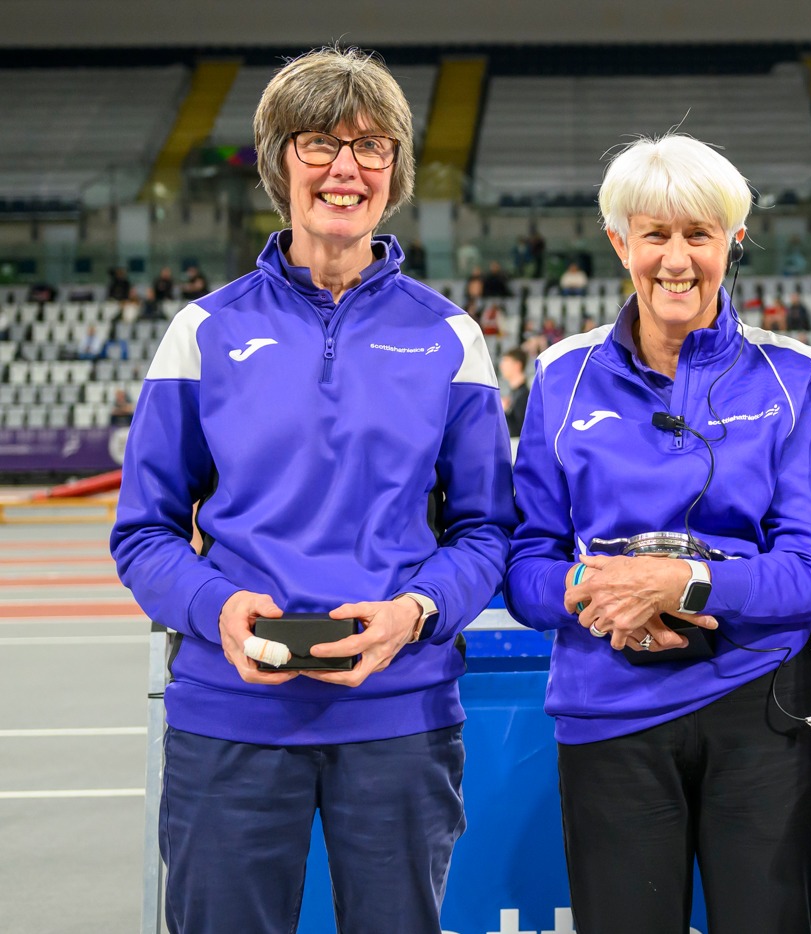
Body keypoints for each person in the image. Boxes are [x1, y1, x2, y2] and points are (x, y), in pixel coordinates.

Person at [110, 47, 515, 934]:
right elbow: (143, 533)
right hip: (232, 713)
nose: (346, 168)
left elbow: (487, 531)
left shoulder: (450, 337)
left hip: (400, 715)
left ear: (395, 172)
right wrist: (218, 608)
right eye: (319, 143)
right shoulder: (204, 331)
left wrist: (414, 612)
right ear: (277, 163)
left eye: (372, 147)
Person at [505, 133, 811, 934]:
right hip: (609, 708)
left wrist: (686, 583)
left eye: (700, 234)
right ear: (620, 242)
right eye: (655, 234)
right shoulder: (561, 376)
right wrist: (597, 592)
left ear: (734, 240)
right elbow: (524, 568)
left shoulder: (793, 374)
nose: (677, 259)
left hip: (763, 710)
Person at [499, 347, 530, 439]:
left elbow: (519, 431)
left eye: (506, 362)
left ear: (517, 365)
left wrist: (505, 411)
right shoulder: (515, 394)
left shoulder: (524, 396)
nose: (501, 366)